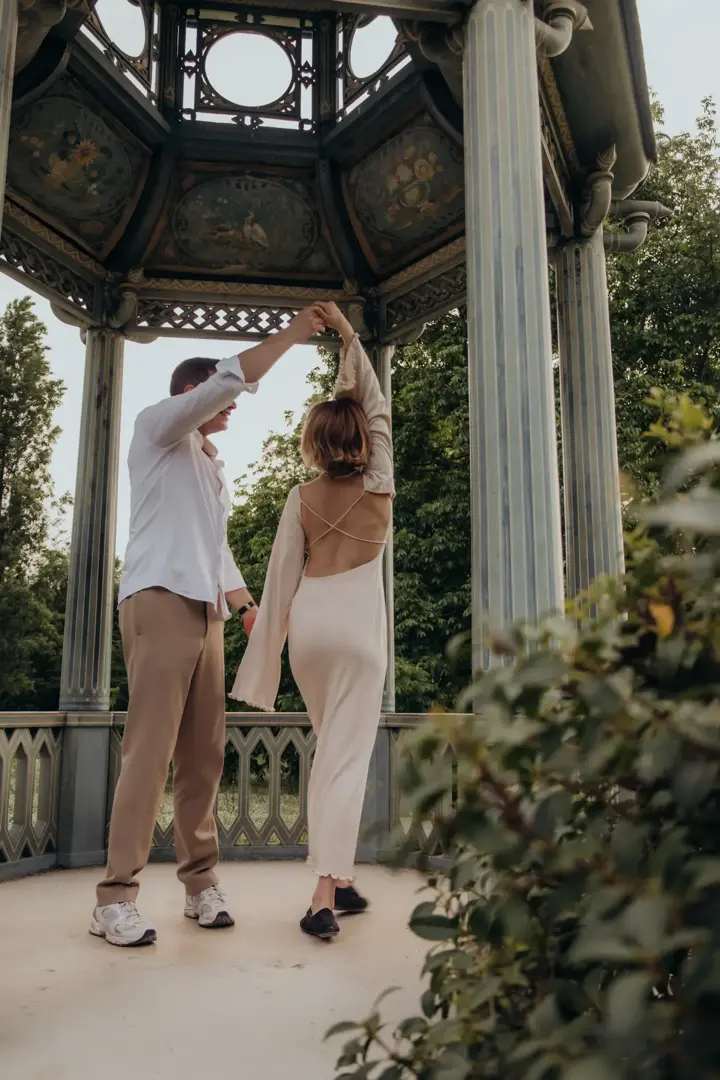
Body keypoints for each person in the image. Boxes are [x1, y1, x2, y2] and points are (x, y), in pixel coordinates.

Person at [90, 305, 326, 948]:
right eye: (223, 400)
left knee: (202, 755)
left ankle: (200, 885)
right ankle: (114, 897)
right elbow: (229, 380)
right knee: (150, 751)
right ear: (193, 394)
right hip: (157, 598)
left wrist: (248, 608)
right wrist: (295, 333)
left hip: (206, 608)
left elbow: (215, 549)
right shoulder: (157, 429)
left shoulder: (211, 468)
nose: (234, 407)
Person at [231, 301, 393, 940]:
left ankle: (344, 882)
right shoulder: (380, 483)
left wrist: (267, 640)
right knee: (346, 760)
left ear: (315, 444)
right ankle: (323, 893)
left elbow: (280, 576)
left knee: (333, 749)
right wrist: (351, 335)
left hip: (310, 631)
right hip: (359, 632)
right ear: (361, 440)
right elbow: (372, 401)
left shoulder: (300, 498)